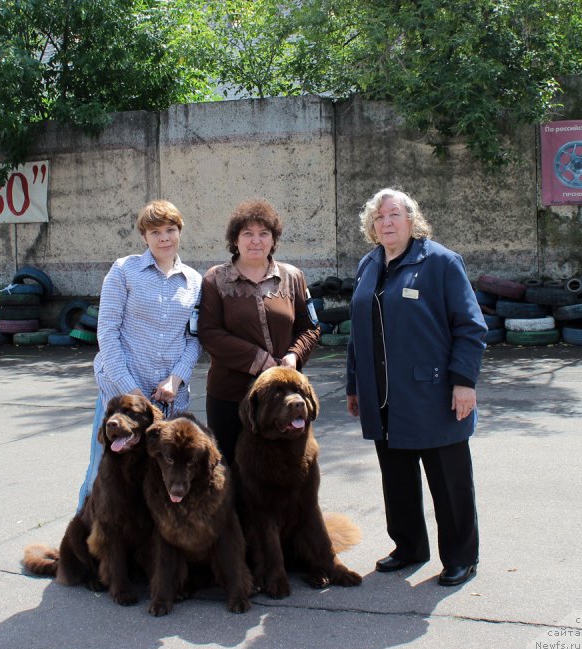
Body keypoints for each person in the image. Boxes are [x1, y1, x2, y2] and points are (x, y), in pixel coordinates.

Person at [346, 187, 487, 587]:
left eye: (394, 215)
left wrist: (464, 382)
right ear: (371, 226)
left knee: (449, 481)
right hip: (383, 396)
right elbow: (359, 334)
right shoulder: (368, 265)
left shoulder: (440, 262)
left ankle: (461, 557)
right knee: (397, 478)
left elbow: (470, 327)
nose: (386, 223)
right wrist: (355, 385)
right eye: (379, 217)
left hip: (434, 394)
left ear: (411, 219)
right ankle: (409, 547)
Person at [76, 200, 202, 510]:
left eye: (170, 230)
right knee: (103, 473)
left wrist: (176, 379)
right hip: (121, 396)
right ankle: (81, 544)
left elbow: (195, 339)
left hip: (167, 400)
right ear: (144, 237)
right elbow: (107, 332)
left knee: (154, 477)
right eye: (155, 231)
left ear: (180, 232)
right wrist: (129, 390)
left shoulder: (195, 282)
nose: (164, 238)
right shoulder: (124, 271)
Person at [198, 199, 320, 466]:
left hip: (283, 401)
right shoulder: (215, 279)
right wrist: (258, 360)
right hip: (229, 396)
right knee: (230, 472)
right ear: (235, 239)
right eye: (248, 234)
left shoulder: (293, 277)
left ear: (273, 239)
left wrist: (293, 357)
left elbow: (309, 328)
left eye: (264, 233)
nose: (256, 241)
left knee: (285, 474)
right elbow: (209, 332)